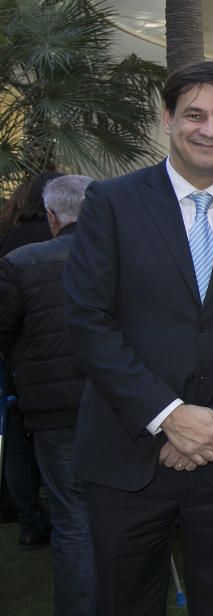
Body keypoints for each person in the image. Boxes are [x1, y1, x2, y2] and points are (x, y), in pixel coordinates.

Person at [63, 61, 213, 616]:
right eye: (194, 114)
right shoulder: (112, 203)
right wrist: (169, 414)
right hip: (127, 453)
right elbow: (88, 319)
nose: (209, 129)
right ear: (167, 118)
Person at [0, 174, 96, 615]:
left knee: (74, 520)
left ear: (53, 217)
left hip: (55, 415)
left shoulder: (21, 261)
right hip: (125, 407)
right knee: (115, 517)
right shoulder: (127, 258)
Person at [0, 171, 63, 541]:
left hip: (25, 362)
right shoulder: (87, 240)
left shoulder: (12, 239)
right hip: (68, 361)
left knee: (21, 446)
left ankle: (28, 519)